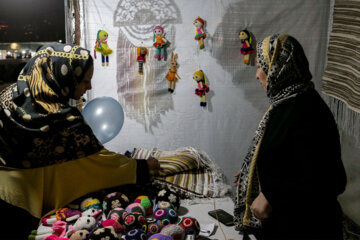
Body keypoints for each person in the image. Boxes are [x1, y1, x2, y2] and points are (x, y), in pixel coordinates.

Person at [0, 43, 160, 239]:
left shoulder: (5, 97)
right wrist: (142, 167)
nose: (89, 87)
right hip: (29, 218)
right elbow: (100, 163)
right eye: (85, 81)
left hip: (6, 198)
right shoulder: (63, 120)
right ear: (64, 77)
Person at [233, 34, 346, 240]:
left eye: (261, 66)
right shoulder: (286, 103)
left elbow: (328, 179)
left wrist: (272, 196)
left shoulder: (307, 111)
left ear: (279, 68)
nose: (257, 74)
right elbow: (287, 157)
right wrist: (255, 172)